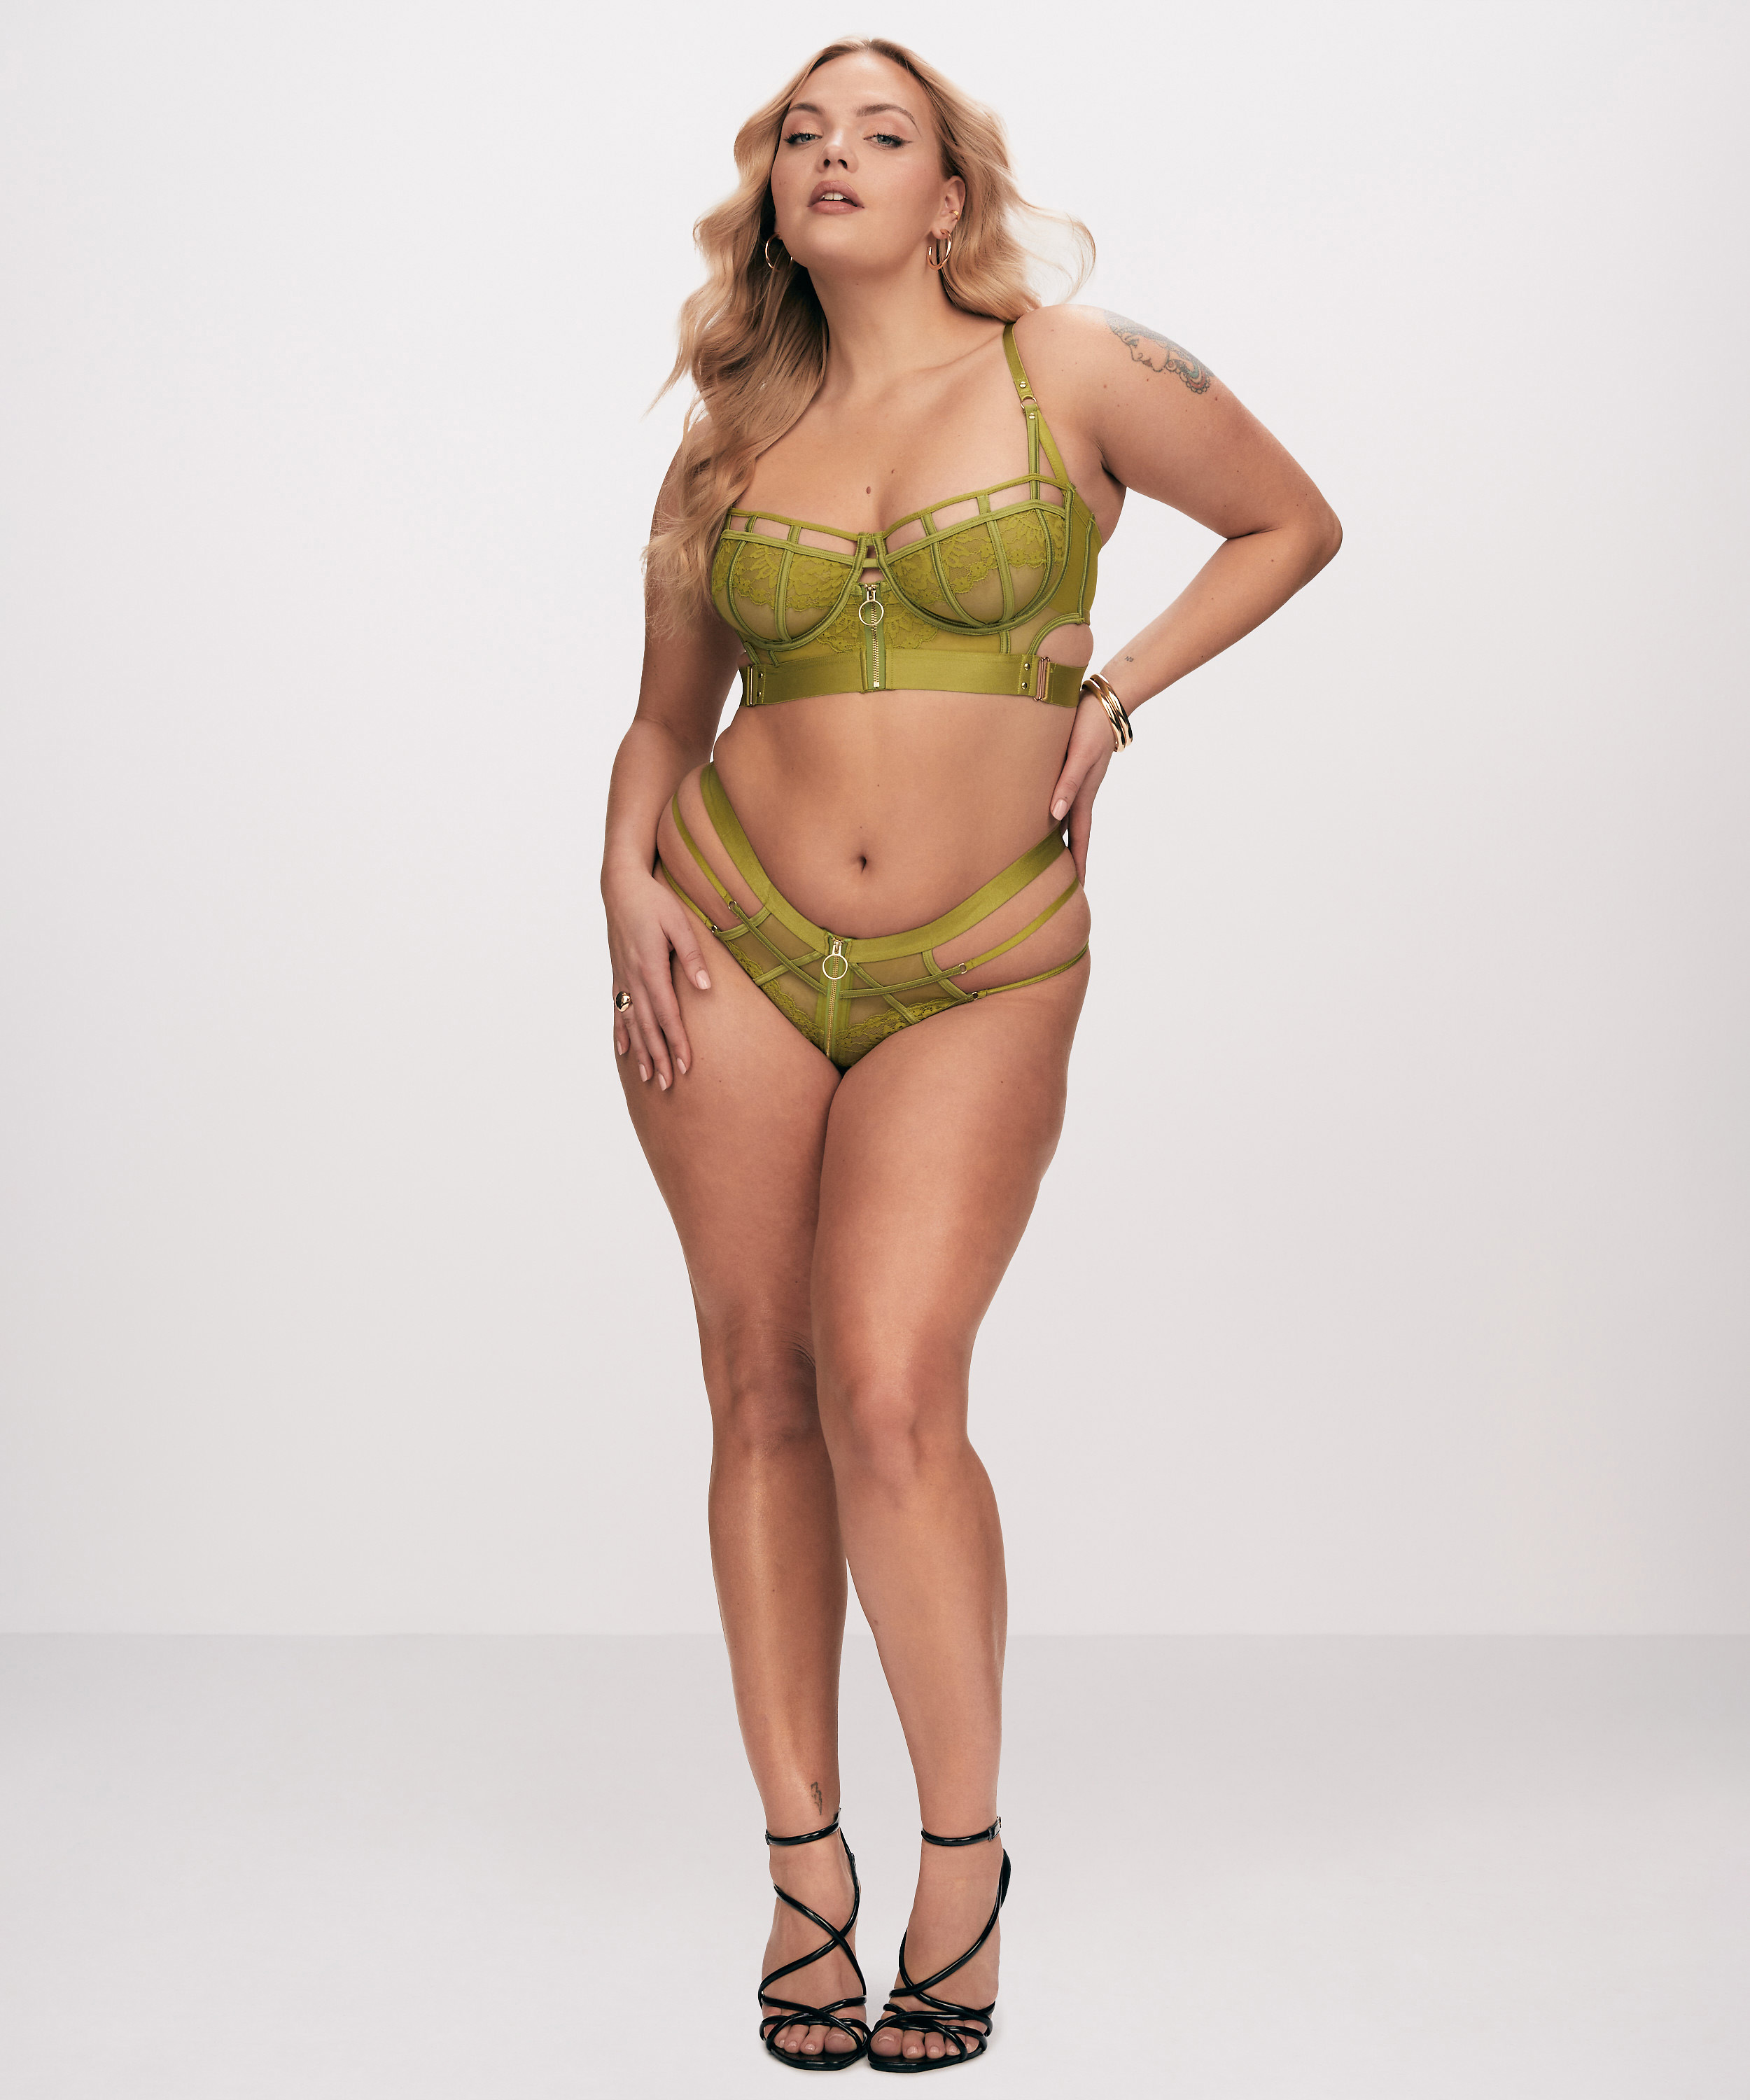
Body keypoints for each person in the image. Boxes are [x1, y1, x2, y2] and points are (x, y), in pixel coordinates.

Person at [600, 36, 1340, 2071]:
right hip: (731, 934)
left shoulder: (1072, 369)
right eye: (803, 135)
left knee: (894, 1394)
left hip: (985, 953)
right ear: (775, 193)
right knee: (760, 1389)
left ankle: (961, 1856)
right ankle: (799, 1869)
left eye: (884, 134)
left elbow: (1288, 523)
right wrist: (617, 874)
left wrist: (1119, 690)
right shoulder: (725, 437)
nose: (835, 157)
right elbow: (664, 718)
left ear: (950, 196)